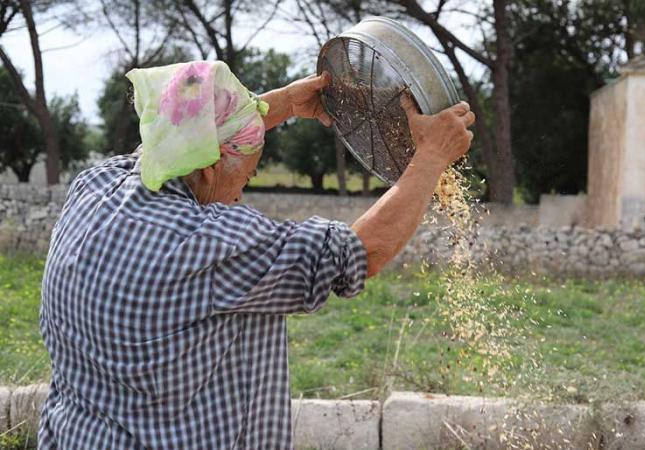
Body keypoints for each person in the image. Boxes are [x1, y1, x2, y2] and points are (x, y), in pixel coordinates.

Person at [38, 60, 474, 449]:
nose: (241, 193)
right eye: (245, 178)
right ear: (210, 167)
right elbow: (359, 253)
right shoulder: (208, 243)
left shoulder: (97, 185)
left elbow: (174, 128)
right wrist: (431, 156)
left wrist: (282, 103)